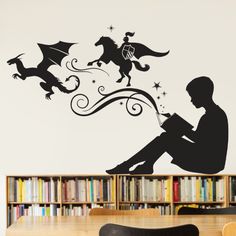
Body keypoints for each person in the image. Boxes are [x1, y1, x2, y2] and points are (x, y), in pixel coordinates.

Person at [106, 76, 228, 174]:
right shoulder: (213, 114)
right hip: (207, 159)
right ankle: (145, 165)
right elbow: (201, 140)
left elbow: (200, 141)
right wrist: (178, 127)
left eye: (193, 96)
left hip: (208, 162)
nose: (191, 100)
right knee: (166, 137)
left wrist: (180, 127)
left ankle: (130, 165)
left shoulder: (213, 115)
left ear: (203, 94)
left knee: (165, 138)